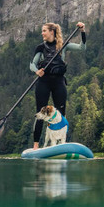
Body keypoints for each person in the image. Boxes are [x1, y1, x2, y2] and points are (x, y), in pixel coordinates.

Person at [29, 22, 86, 150]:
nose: (42, 33)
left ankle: (62, 143)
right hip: (43, 83)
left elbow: (82, 48)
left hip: (59, 83)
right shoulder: (40, 47)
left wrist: (82, 31)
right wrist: (37, 71)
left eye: (44, 30)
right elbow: (32, 64)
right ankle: (36, 146)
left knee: (61, 114)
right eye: (42, 31)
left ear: (51, 32)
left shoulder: (63, 46)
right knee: (40, 114)